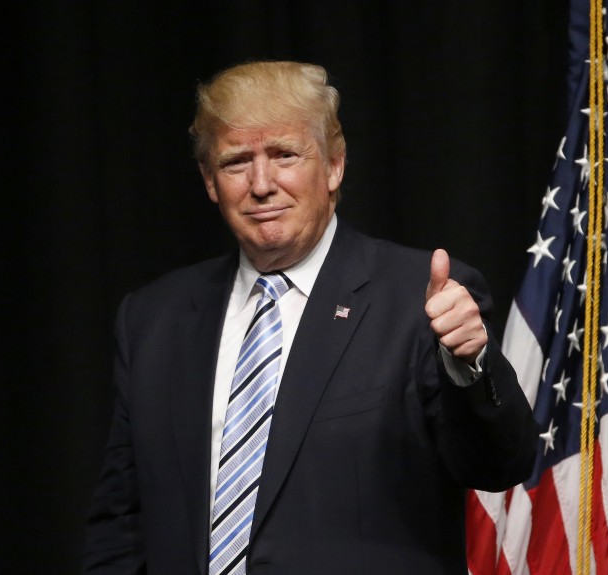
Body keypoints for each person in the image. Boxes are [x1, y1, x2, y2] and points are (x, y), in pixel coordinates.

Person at [84, 60, 537, 575]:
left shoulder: (420, 297)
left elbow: (501, 463)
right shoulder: (153, 319)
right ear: (210, 181)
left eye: (284, 155)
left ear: (334, 166)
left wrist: (469, 364)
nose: (261, 184)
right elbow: (121, 526)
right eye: (236, 162)